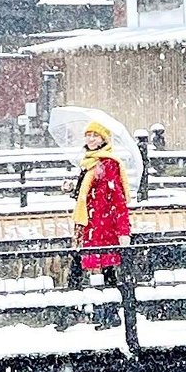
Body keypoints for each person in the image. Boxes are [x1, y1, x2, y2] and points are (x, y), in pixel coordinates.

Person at [73, 115, 131, 286]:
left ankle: (104, 299)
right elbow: (85, 194)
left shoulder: (108, 164)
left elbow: (117, 199)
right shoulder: (89, 163)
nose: (90, 139)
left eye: (95, 136)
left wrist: (123, 231)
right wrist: (72, 187)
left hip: (103, 225)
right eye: (88, 135)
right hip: (90, 224)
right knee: (95, 269)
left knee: (102, 269)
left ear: (104, 139)